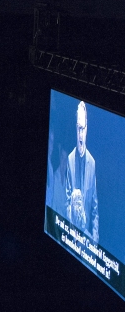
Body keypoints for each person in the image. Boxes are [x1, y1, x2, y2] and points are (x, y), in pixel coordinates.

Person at [65, 101, 99, 242]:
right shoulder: (70, 159)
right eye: (78, 128)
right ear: (75, 128)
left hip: (87, 241)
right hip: (71, 235)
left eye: (83, 129)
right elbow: (67, 201)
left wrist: (94, 239)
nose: (80, 134)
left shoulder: (92, 162)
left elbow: (94, 208)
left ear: (87, 129)